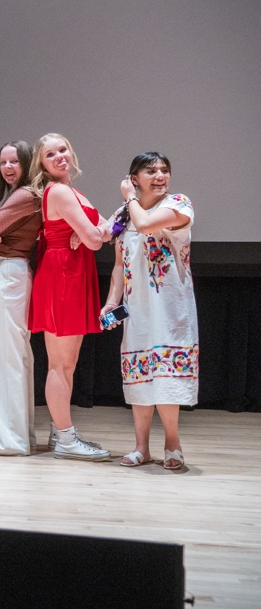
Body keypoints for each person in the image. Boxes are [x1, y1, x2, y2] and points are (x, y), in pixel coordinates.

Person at [101, 153, 197, 471]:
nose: (160, 176)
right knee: (138, 376)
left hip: (170, 308)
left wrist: (129, 198)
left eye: (164, 170)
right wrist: (111, 302)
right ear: (134, 178)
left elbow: (144, 225)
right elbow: (119, 264)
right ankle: (141, 447)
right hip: (138, 309)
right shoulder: (124, 215)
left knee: (167, 377)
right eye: (151, 171)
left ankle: (172, 443)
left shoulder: (179, 204)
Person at [27, 133, 111, 461]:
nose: (59, 156)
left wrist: (92, 232)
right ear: (42, 164)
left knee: (68, 364)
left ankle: (59, 431)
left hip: (73, 273)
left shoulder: (73, 192)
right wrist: (90, 233)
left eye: (62, 150)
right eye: (50, 154)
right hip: (62, 274)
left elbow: (109, 230)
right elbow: (97, 238)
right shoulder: (59, 191)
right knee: (60, 365)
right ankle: (65, 440)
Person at [0, 142, 41, 455]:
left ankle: (10, 440)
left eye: (15, 161)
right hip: (4, 272)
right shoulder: (20, 195)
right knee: (8, 356)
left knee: (4, 357)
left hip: (5, 273)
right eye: (3, 162)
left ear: (27, 163)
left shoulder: (25, 195)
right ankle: (18, 435)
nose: (8, 167)